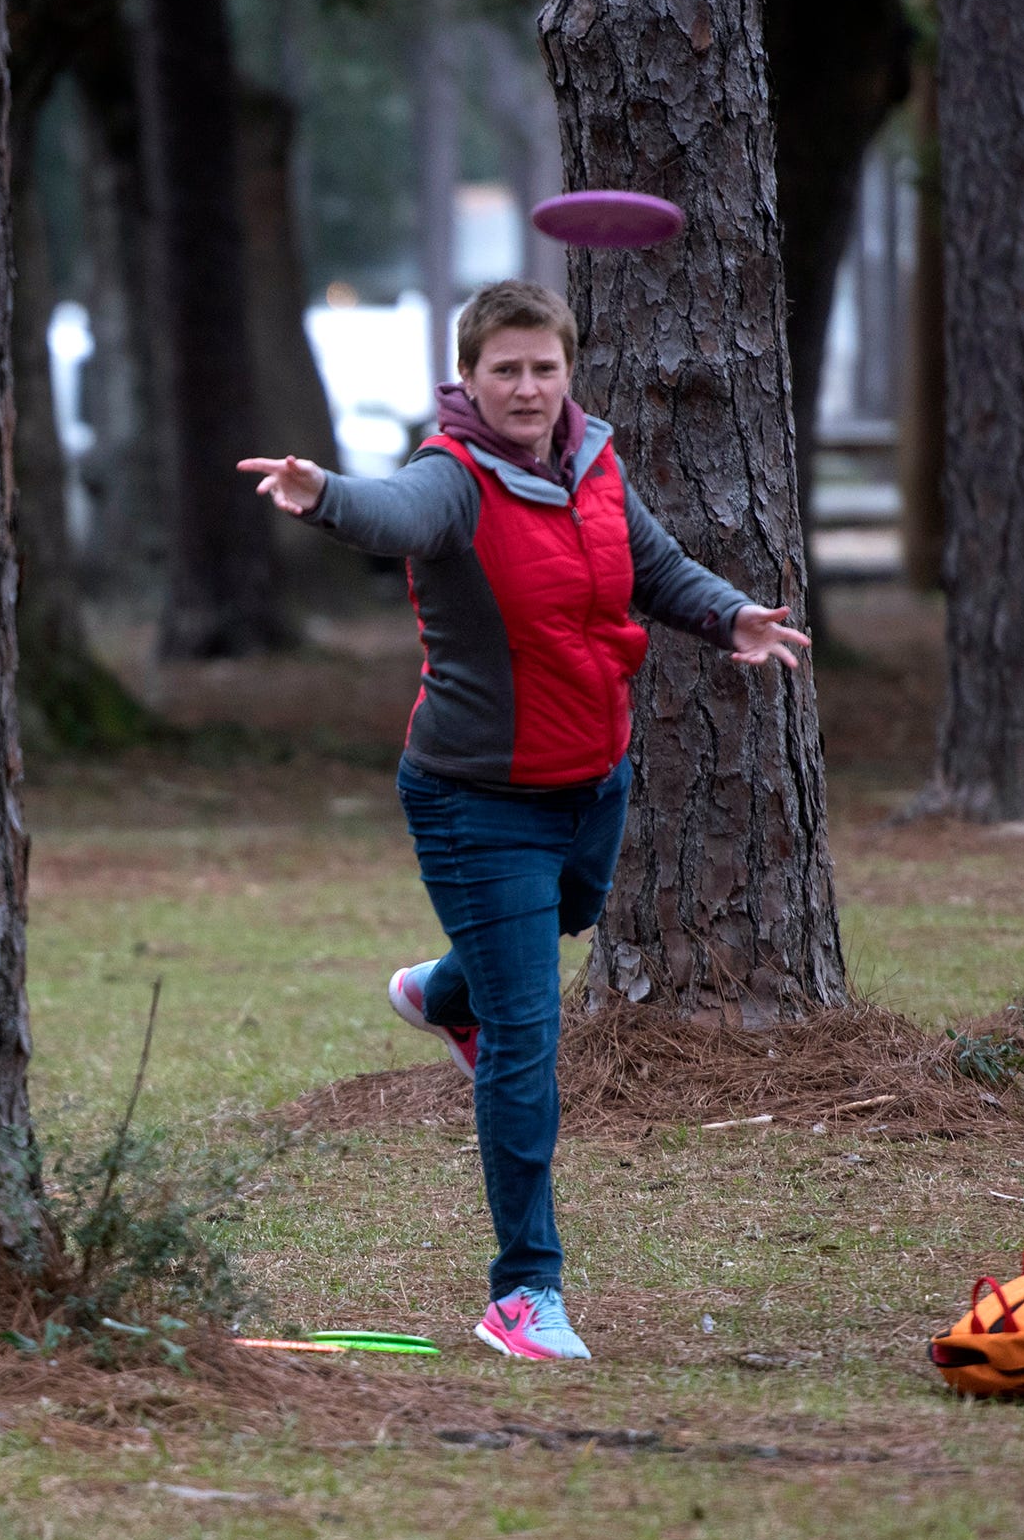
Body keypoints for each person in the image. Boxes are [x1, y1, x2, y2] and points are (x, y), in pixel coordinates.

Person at [237, 280, 809, 1362]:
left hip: (595, 780)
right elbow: (391, 517)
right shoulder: (450, 480)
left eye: (544, 367)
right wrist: (321, 495)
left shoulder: (593, 460)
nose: (528, 387)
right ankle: (523, 1294)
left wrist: (728, 613)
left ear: (568, 372)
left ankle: (441, 991)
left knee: (571, 914)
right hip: (477, 799)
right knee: (527, 1039)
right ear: (469, 379)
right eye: (505, 369)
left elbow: (650, 566)